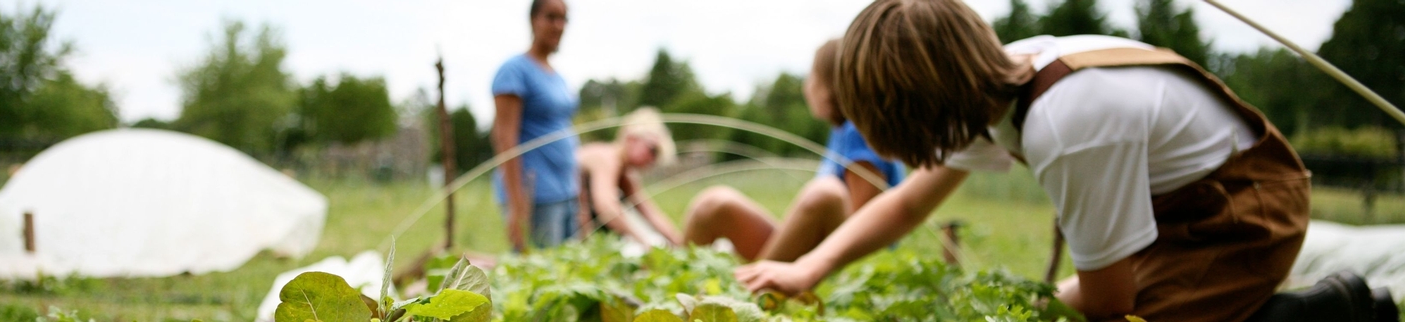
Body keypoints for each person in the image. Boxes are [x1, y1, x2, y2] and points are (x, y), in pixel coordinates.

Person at [733, 0, 1391, 321]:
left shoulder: (1066, 123)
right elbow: (908, 201)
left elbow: (1109, 299)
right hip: (1177, 210)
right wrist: (806, 266)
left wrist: (1022, 308)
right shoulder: (991, 78)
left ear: (917, 113)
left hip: (1243, 212)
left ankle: (1330, 310)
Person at [683, 39, 906, 262]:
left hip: (845, 263)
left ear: (830, 85)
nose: (806, 86)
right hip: (818, 252)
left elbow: (862, 225)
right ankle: (671, 285)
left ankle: (759, 288)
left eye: (812, 76)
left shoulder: (859, 131)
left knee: (825, 195)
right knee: (713, 206)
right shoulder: (841, 130)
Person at [491, 0, 577, 252]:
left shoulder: (558, 77)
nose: (558, 26)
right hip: (536, 195)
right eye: (551, 17)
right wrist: (517, 206)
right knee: (538, 274)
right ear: (533, 20)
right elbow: (504, 138)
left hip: (565, 192)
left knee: (565, 271)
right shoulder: (514, 71)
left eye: (564, 19)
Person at [574, 108, 684, 247]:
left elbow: (650, 212)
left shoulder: (625, 174)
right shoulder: (606, 158)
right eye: (652, 150)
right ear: (632, 138)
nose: (653, 159)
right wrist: (644, 243)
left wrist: (681, 244)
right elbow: (606, 208)